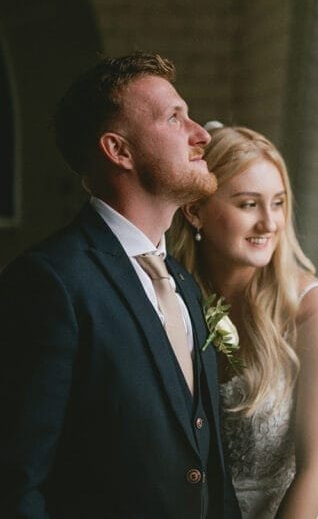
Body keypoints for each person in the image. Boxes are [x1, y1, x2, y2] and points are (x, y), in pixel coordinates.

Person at [0, 52, 241, 518]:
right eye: (175, 118)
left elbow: (207, 464)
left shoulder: (184, 284)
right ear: (119, 151)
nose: (202, 135)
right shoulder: (50, 282)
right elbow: (16, 484)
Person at [168, 124, 318, 519]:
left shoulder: (316, 312)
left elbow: (317, 471)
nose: (270, 223)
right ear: (195, 210)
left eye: (279, 202)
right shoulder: (171, 298)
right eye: (249, 204)